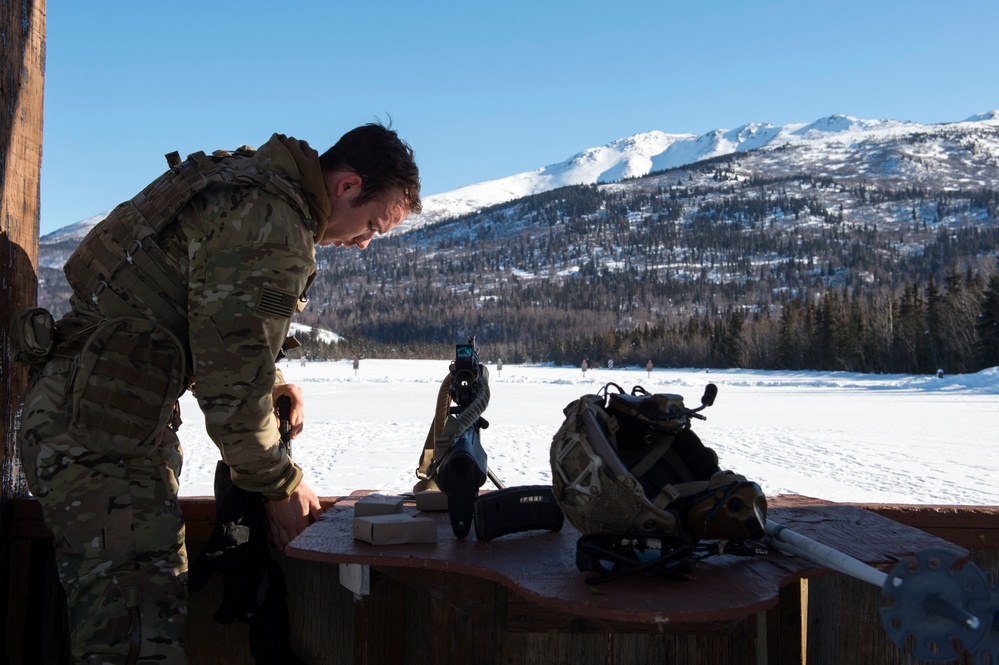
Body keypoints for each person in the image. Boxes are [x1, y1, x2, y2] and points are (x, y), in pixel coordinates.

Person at [15, 123, 421, 664]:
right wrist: (279, 485)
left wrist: (273, 380)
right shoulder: (273, 219)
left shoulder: (249, 181)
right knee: (137, 639)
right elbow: (230, 385)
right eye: (372, 224)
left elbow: (217, 324)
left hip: (96, 414)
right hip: (100, 436)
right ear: (348, 185)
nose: (366, 241)